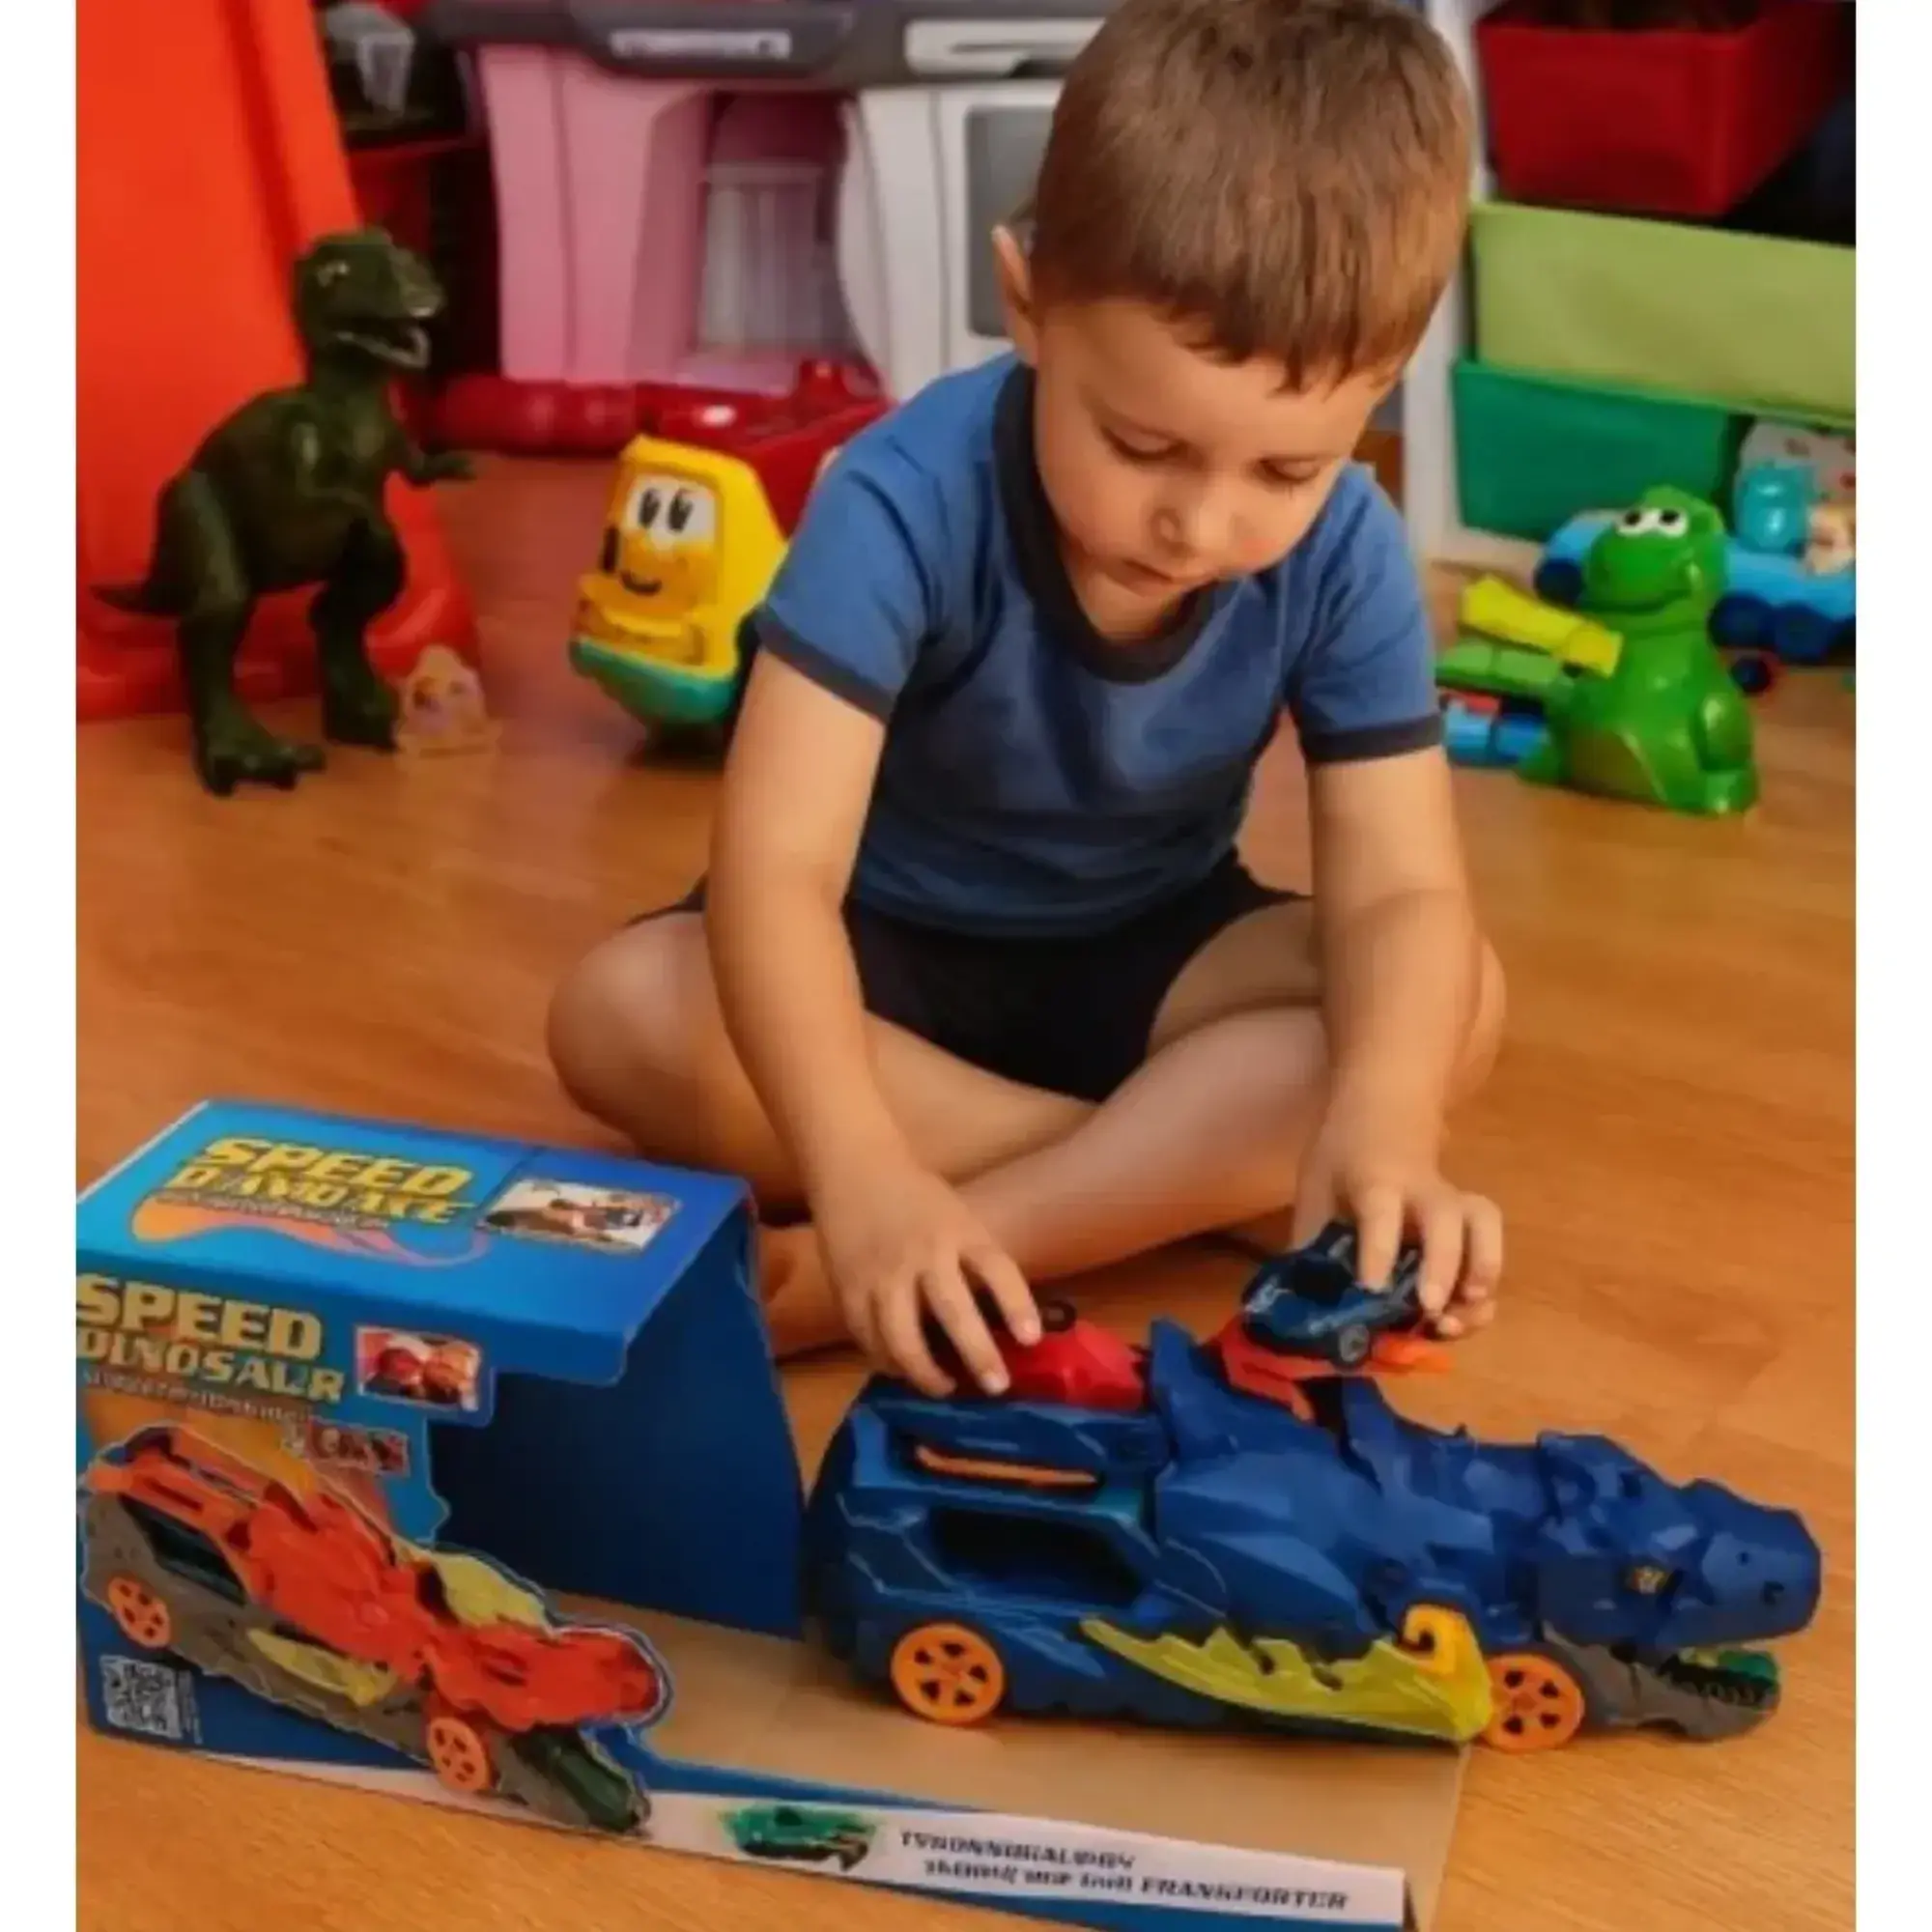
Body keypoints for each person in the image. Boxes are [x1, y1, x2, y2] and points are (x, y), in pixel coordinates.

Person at [550, 0, 1505, 1402]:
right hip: (872, 961)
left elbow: (1402, 888)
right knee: (619, 1015)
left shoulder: (1350, 549)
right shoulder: (897, 498)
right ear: (1027, 300)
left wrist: (1382, 1121)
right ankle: (1179, 1174)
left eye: (1285, 472)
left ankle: (896, 1264)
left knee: (1449, 1003)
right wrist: (862, 1173)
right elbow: (775, 872)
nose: (1199, 524)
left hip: (1152, 954)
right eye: (1142, 444)